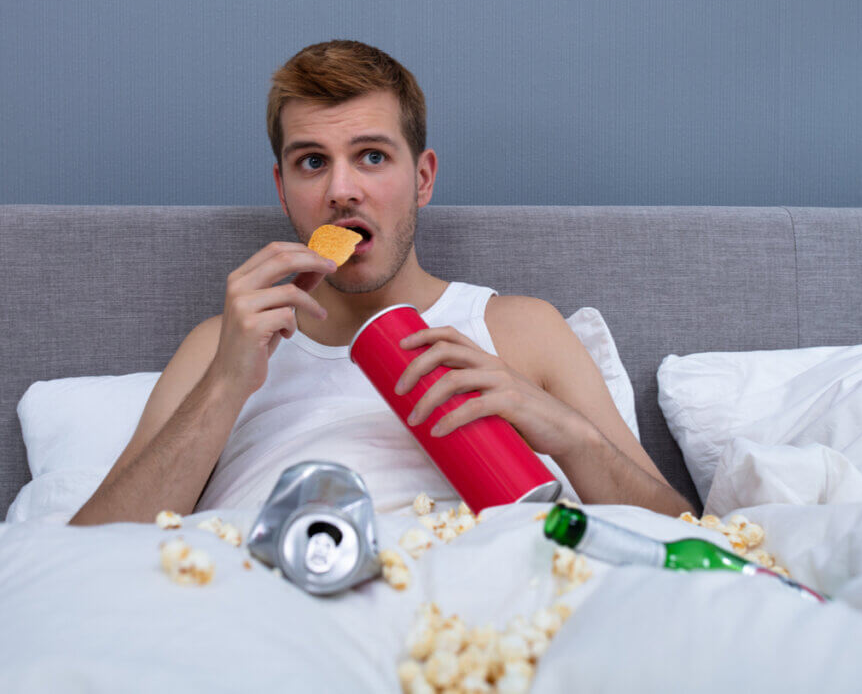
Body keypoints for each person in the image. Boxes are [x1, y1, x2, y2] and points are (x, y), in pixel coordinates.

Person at [70, 40, 693, 526]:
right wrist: (226, 386)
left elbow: (695, 538)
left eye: (372, 156)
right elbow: (76, 558)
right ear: (283, 190)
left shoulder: (522, 328)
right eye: (312, 162)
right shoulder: (221, 343)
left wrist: (570, 434)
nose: (342, 190)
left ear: (422, 178)